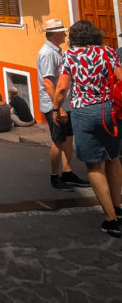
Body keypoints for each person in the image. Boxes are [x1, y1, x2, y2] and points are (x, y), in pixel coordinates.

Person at [53, 20, 122, 238]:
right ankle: (118, 207)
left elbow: (63, 87)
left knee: (94, 166)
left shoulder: (70, 55)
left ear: (74, 37)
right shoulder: (109, 52)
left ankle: (110, 220)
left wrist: (56, 108)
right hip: (110, 111)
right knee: (113, 158)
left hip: (84, 112)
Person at [37, 18, 90, 191]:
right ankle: (55, 176)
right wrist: (57, 107)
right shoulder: (47, 53)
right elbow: (48, 83)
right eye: (62, 32)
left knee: (67, 139)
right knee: (58, 140)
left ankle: (67, 173)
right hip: (55, 104)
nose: (65, 34)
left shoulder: (56, 51)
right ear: (54, 34)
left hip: (63, 103)